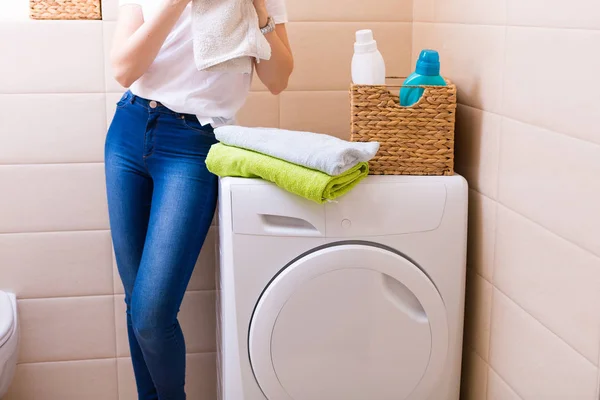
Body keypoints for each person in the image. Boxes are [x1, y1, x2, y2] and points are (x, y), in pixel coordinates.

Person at [104, 0, 293, 398]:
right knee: (136, 302)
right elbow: (123, 69)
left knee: (152, 313)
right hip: (129, 130)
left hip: (194, 144)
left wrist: (259, 10)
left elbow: (278, 79)